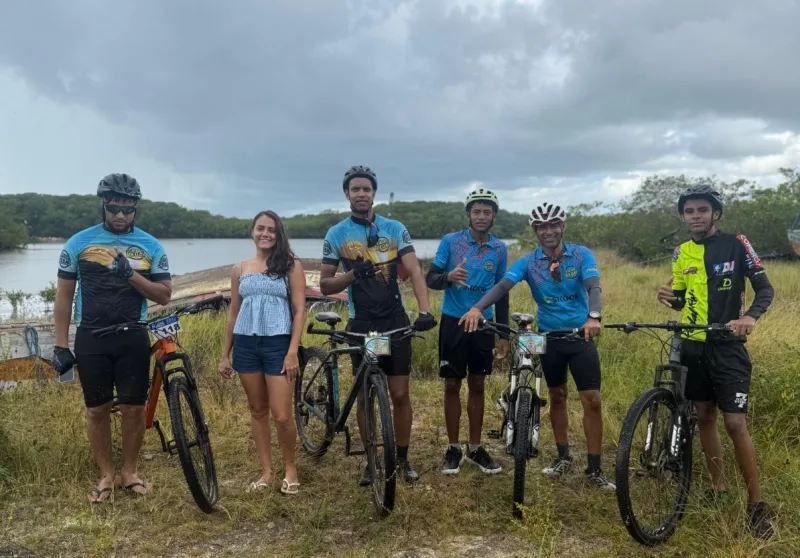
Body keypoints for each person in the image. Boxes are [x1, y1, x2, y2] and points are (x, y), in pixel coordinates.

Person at [460, 202, 615, 490]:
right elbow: (503, 286)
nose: (548, 231)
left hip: (580, 336)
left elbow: (594, 286)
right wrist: (477, 308)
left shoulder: (581, 254)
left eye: (553, 224)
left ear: (562, 226)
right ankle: (563, 456)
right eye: (541, 226)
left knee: (591, 400)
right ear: (535, 230)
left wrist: (594, 317)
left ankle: (594, 469)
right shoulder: (529, 262)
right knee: (557, 396)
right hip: (549, 337)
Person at [656, 183, 776, 539]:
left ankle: (756, 505)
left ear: (715, 214)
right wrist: (669, 297)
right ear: (683, 216)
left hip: (727, 346)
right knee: (704, 416)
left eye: (702, 210)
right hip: (693, 346)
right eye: (689, 211)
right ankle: (718, 489)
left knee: (735, 423)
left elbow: (765, 289)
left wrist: (750, 317)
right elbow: (682, 300)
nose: (695, 216)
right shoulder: (680, 253)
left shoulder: (737, 244)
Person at [51, 173, 172, 503]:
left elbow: (163, 295)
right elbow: (63, 298)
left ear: (136, 209)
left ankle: (129, 472)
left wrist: (130, 275)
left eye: (127, 209)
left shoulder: (150, 246)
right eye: (114, 208)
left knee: (134, 409)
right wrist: (60, 345)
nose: (120, 216)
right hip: (91, 336)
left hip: (132, 334)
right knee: (97, 410)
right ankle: (106, 475)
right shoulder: (79, 244)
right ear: (104, 206)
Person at [319, 165, 437, 486]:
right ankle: (371, 459)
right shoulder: (337, 234)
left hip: (395, 321)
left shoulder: (395, 228)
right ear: (347, 194)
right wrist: (353, 275)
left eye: (366, 189)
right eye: (355, 189)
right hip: (364, 324)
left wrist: (424, 311)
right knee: (366, 395)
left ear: (374, 193)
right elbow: (326, 285)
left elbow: (414, 270)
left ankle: (401, 458)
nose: (361, 194)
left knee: (400, 394)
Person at [218, 210, 306, 496]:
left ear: (278, 233)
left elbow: (299, 310)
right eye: (260, 228)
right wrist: (225, 354)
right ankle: (266, 472)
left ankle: (290, 468)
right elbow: (234, 314)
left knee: (282, 415)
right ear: (252, 232)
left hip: (278, 344)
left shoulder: (290, 266)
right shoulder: (240, 269)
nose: (265, 233)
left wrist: (293, 351)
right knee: (257, 410)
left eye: (271, 229)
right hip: (246, 344)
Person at [426, 188, 509, 475]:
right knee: (451, 384)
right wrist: (448, 277)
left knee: (477, 384)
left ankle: (474, 448)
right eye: (477, 211)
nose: (482, 216)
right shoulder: (451, 242)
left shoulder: (499, 249)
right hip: (454, 321)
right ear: (468, 215)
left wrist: (504, 334)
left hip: (484, 324)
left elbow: (502, 292)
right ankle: (453, 446)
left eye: (487, 211)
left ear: (494, 216)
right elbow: (430, 279)